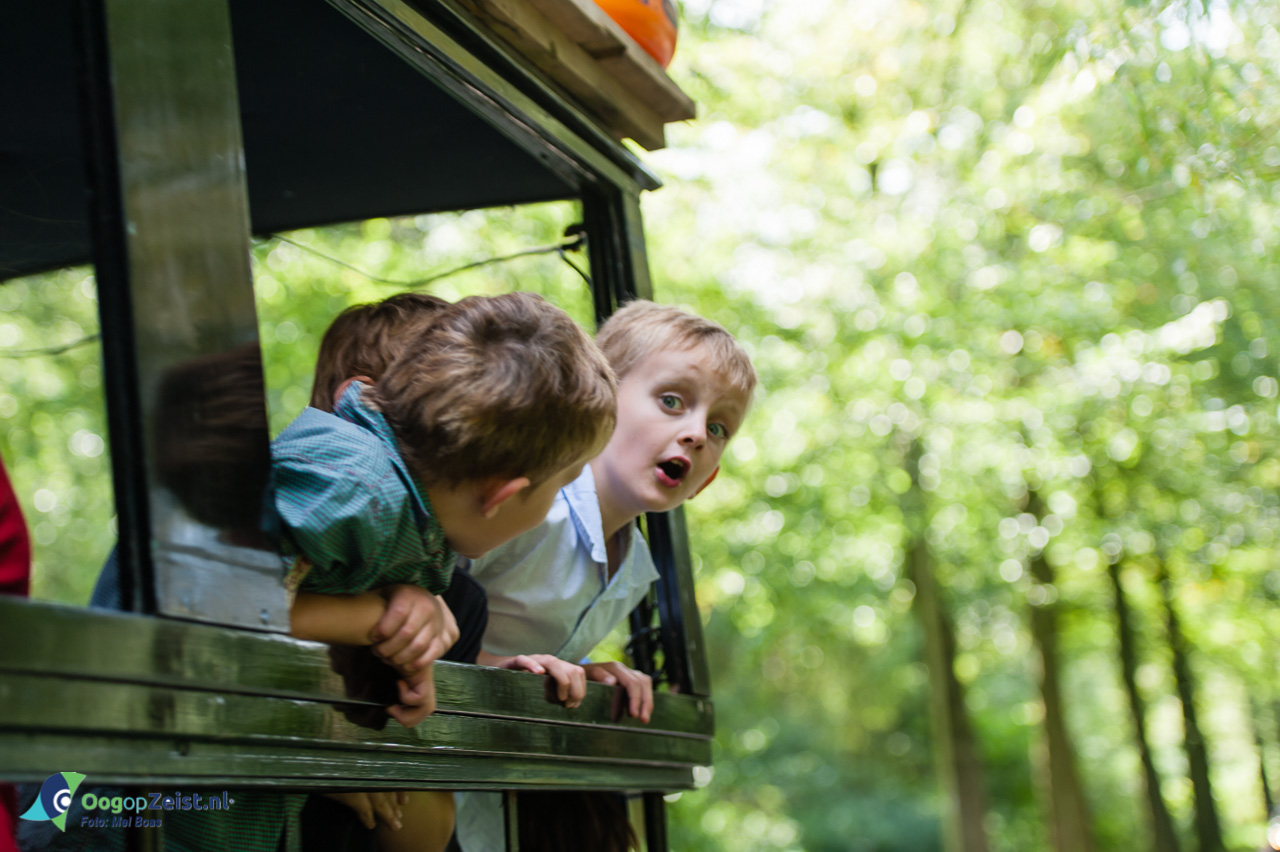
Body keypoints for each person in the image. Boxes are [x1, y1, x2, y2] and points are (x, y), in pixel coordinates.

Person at [275, 291, 618, 852]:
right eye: (559, 488)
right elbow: (205, 606)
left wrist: (407, 661)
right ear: (502, 495)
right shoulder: (351, 487)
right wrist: (376, 616)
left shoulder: (414, 520)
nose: (555, 508)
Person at [454, 300, 757, 851]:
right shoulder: (528, 507)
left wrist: (584, 671)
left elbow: (534, 644)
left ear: (708, 480)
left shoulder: (634, 569)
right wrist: (495, 669)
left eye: (718, 428)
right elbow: (409, 608)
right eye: (672, 401)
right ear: (597, 397)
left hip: (489, 809)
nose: (695, 433)